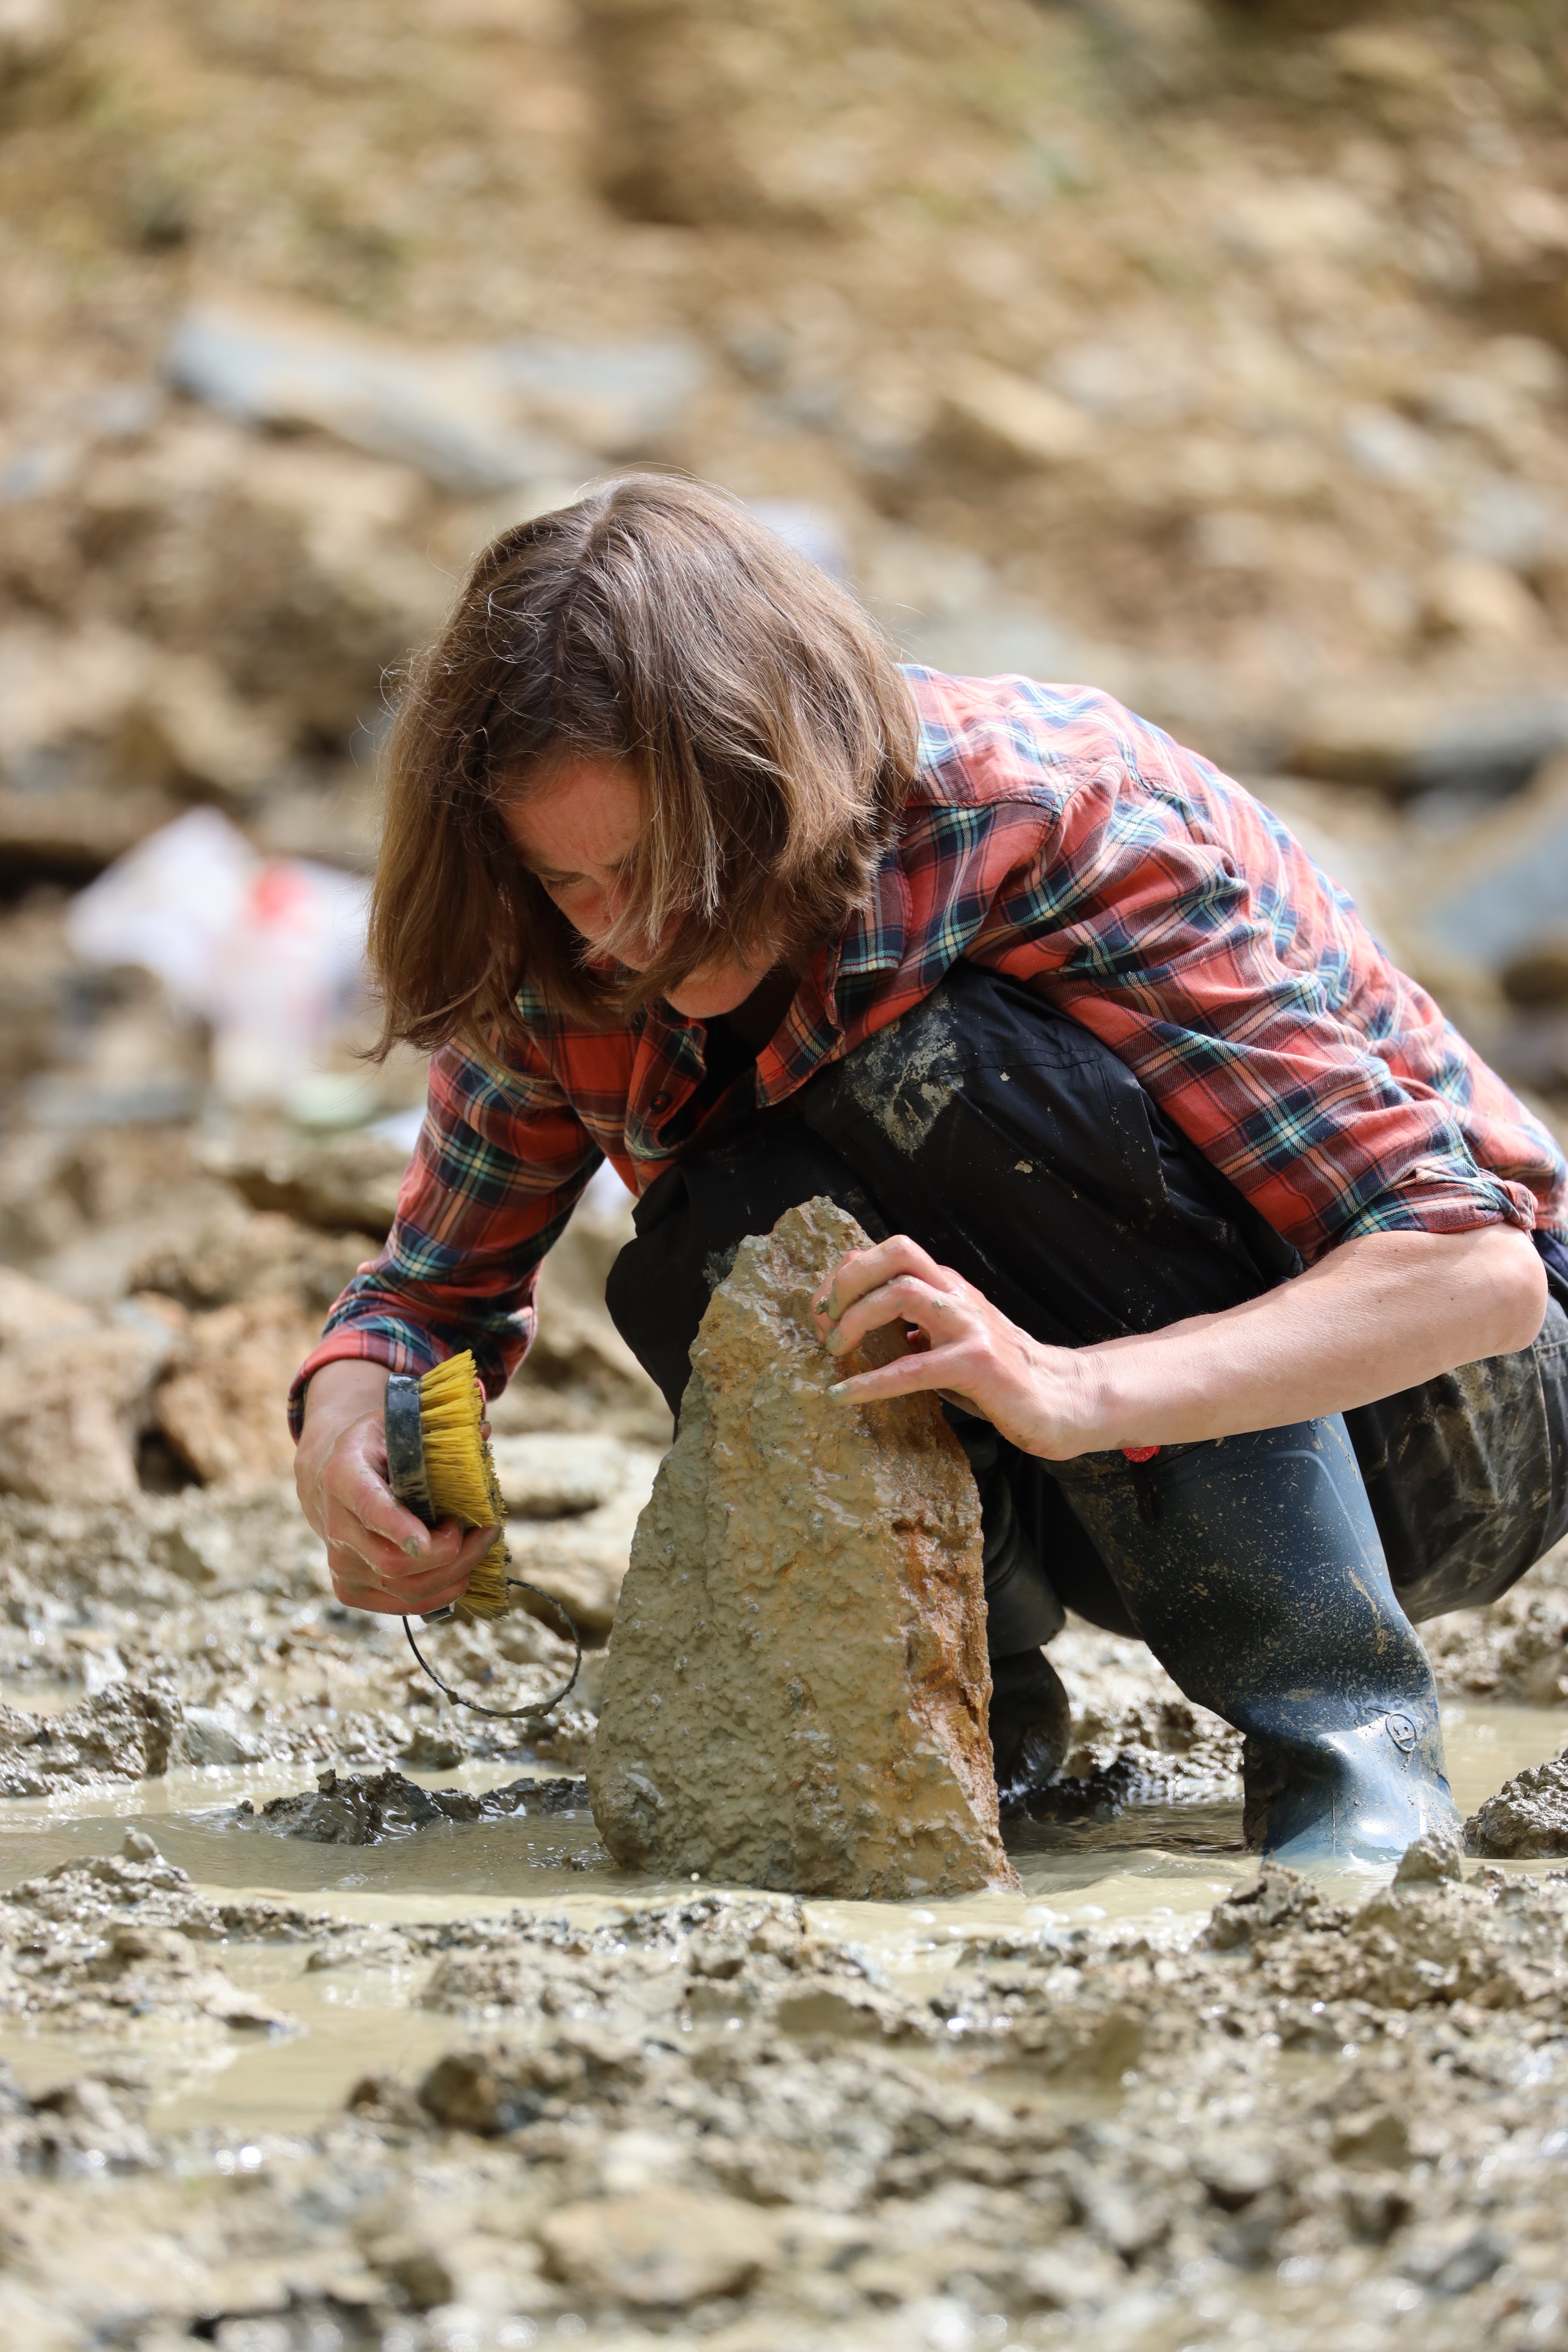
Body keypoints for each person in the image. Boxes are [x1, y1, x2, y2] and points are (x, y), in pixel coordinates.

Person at [291, 473, 1568, 1869]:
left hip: (1444, 1431)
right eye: (575, 884)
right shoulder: (555, 951)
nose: (632, 933)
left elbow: (1470, 1274)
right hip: (1094, 1477)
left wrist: (1077, 1389)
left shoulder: (1043, 813)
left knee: (943, 1073)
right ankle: (969, 1737)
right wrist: (345, 1440)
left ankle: (1347, 1757)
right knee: (719, 1231)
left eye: (670, 863)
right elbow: (427, 1303)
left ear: (777, 778)